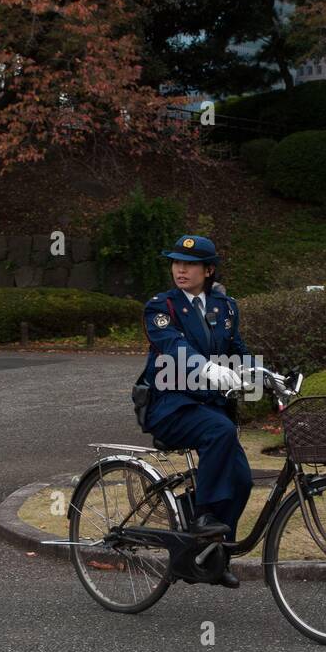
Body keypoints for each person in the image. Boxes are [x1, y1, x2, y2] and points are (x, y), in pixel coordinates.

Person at [136, 234, 253, 588]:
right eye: (176, 262)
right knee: (220, 432)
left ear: (209, 270)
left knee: (242, 481)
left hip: (209, 407)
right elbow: (175, 346)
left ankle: (212, 558)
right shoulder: (162, 307)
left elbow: (236, 348)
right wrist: (207, 368)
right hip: (170, 406)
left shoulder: (225, 306)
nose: (181, 269)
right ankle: (201, 516)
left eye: (189, 264)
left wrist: (257, 373)